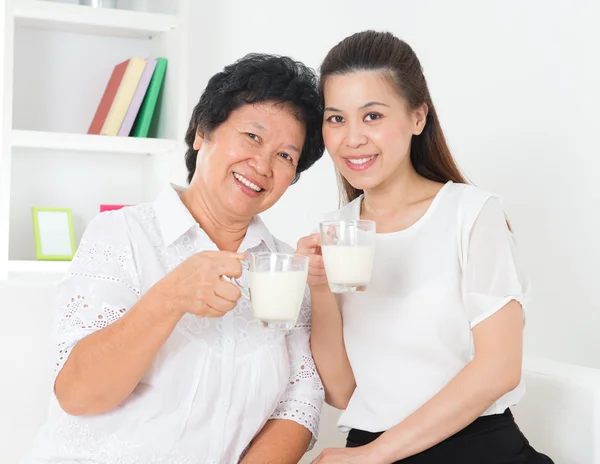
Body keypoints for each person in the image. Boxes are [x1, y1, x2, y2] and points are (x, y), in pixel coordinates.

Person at [23, 53, 325, 464]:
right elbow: (78, 394)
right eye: (252, 137)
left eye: (286, 156)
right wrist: (168, 298)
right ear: (203, 131)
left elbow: (301, 397)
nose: (262, 165)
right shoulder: (123, 235)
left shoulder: (285, 267)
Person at [297, 31, 554, 463]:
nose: (351, 138)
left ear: (418, 118)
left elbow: (499, 368)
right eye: (336, 119)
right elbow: (343, 391)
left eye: (373, 116)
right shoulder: (336, 232)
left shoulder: (471, 213)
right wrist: (319, 289)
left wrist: (374, 456)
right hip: (370, 446)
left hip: (477, 449)